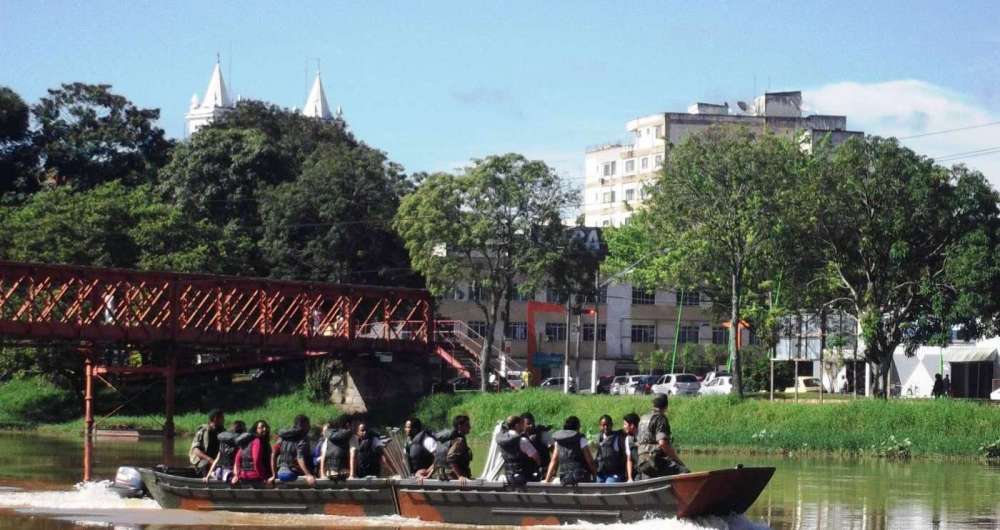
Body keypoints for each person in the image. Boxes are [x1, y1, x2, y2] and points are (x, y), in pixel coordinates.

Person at [636, 394, 688, 479]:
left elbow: (638, 442)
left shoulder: (643, 418)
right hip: (654, 460)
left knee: (649, 482)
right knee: (684, 471)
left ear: (653, 404)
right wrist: (678, 461)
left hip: (641, 461)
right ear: (666, 406)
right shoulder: (660, 418)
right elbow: (663, 444)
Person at [544, 416, 596, 485]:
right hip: (581, 479)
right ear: (577, 427)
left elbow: (553, 461)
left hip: (564, 479)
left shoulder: (558, 442)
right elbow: (590, 462)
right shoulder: (581, 440)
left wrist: (547, 481)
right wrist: (595, 476)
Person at [270, 414, 317, 486]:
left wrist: (274, 475)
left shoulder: (283, 437)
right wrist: (308, 475)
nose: (309, 427)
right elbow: (300, 457)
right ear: (303, 425)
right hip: (292, 474)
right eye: (308, 424)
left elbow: (273, 454)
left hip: (280, 473)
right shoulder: (303, 438)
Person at [495, 415, 541, 486]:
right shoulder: (522, 440)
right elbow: (536, 457)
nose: (523, 426)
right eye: (522, 424)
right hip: (523, 477)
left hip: (509, 476)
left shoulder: (502, 440)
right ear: (517, 425)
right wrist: (538, 468)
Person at [433, 415, 473, 481]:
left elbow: (437, 459)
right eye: (467, 425)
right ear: (460, 426)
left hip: (442, 476)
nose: (470, 427)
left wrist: (427, 474)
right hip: (453, 477)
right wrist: (460, 476)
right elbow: (450, 458)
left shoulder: (446, 439)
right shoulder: (459, 440)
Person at [233, 419, 272, 484]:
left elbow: (237, 458)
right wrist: (263, 477)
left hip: (244, 476)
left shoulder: (247, 440)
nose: (264, 429)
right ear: (256, 429)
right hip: (255, 477)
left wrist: (238, 474)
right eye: (261, 427)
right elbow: (256, 461)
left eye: (266, 427)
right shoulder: (257, 441)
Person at [189, 409, 225, 477]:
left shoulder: (222, 431)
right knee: (205, 463)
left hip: (216, 459)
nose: (224, 420)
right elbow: (196, 450)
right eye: (222, 418)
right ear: (215, 418)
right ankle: (205, 481)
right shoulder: (203, 431)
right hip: (202, 460)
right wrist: (209, 459)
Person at [594, 415, 627, 483]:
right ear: (600, 426)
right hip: (601, 473)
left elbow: (625, 456)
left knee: (608, 487)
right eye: (603, 425)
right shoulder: (597, 439)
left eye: (608, 425)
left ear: (611, 425)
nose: (606, 427)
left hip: (615, 473)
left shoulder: (618, 438)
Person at [520, 412, 552, 482]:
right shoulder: (519, 438)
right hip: (527, 474)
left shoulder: (543, 434)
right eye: (528, 424)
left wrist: (553, 471)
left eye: (533, 422)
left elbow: (555, 453)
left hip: (544, 473)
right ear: (521, 425)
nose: (532, 425)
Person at [622, 413, 640, 482]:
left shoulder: (644, 435)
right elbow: (629, 459)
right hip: (638, 471)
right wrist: (630, 477)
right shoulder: (628, 439)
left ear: (632, 425)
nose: (623, 427)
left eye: (625, 424)